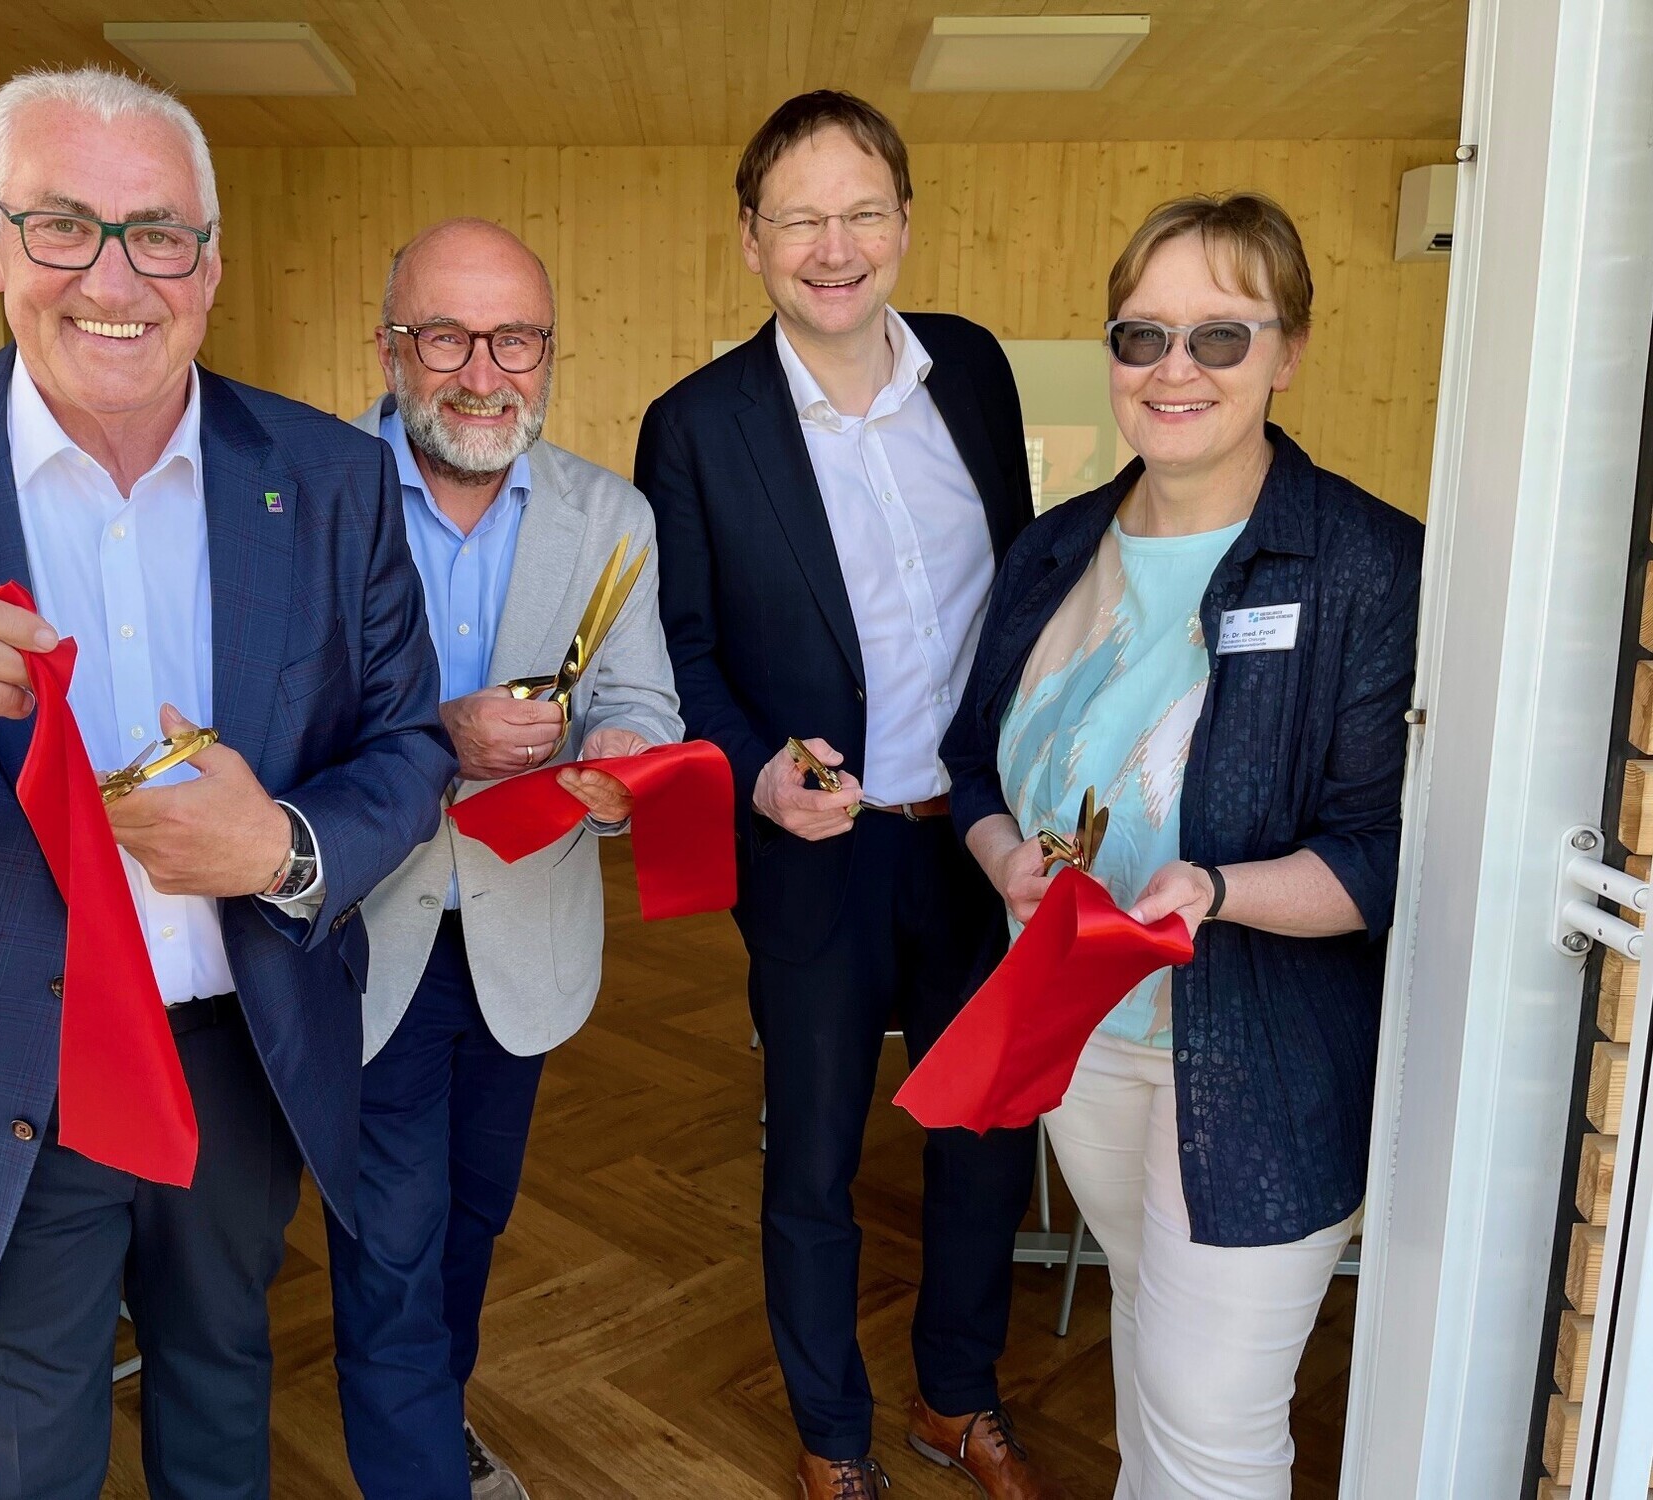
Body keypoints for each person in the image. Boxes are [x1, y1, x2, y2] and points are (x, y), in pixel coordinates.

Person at [0, 67, 453, 1498]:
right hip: (4, 1064)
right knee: (17, 1467)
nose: (115, 279)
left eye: (159, 234)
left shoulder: (329, 478)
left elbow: (411, 747)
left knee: (221, 1414)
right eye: (63, 225)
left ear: (211, 265)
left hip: (238, 1059)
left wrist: (283, 848)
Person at [943, 191, 1423, 1499]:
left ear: (1287, 351)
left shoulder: (1366, 566)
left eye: (1221, 335)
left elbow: (1386, 855)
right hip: (1082, 1030)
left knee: (1211, 1419)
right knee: (1153, 1347)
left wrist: (1217, 888)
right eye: (1142, 335)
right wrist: (1002, 856)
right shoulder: (1053, 549)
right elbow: (970, 759)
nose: (1175, 368)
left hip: (1260, 1053)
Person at [636, 91, 1064, 1500]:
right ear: (750, 238)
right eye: (801, 218)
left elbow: (1020, 587)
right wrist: (754, 769)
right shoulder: (695, 426)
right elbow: (680, 647)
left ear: (904, 223)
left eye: (862, 213)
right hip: (818, 851)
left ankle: (957, 1398)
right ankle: (833, 1437)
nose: (835, 247)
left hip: (981, 839)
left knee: (983, 1134)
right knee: (813, 1158)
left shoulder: (975, 371)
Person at [331, 218, 684, 1500]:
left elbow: (642, 699)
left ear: (548, 352)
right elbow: (266, 728)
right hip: (358, 933)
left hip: (524, 937)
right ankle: (420, 1471)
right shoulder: (312, 494)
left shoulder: (611, 515)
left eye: (516, 340)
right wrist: (442, 734)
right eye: (446, 337)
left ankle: (434, 1416)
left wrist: (621, 763)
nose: (483, 373)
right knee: (391, 1240)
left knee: (470, 1216)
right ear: (389, 348)